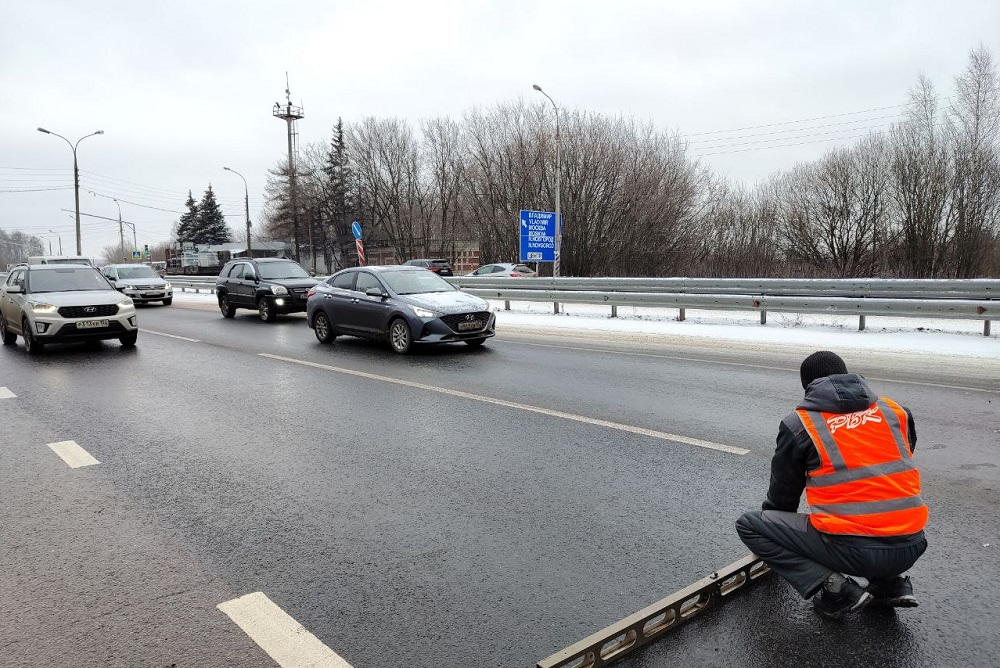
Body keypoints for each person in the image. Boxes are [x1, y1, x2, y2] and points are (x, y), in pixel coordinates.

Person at [736, 351, 928, 619]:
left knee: (749, 524)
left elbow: (783, 496)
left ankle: (837, 589)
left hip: (856, 552)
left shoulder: (801, 424)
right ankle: (890, 583)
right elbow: (894, 467)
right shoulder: (896, 412)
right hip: (912, 543)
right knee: (873, 517)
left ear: (809, 388)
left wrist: (779, 535)